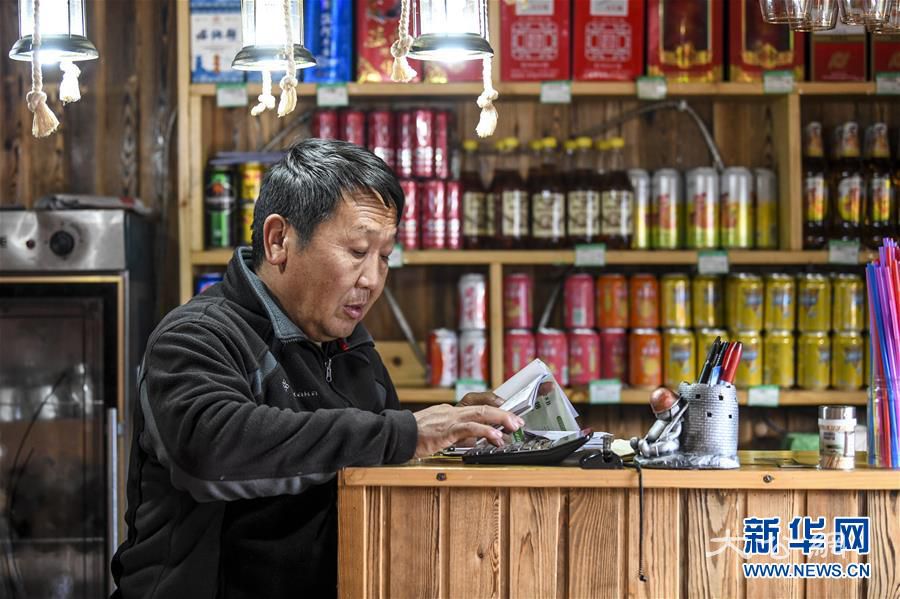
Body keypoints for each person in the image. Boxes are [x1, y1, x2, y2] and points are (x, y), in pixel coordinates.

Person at [110, 139, 521, 599]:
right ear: (279, 240)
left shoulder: (352, 350)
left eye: (384, 256)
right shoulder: (195, 336)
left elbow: (373, 466)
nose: (371, 279)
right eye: (357, 250)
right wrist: (404, 433)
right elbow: (211, 450)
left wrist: (451, 440)